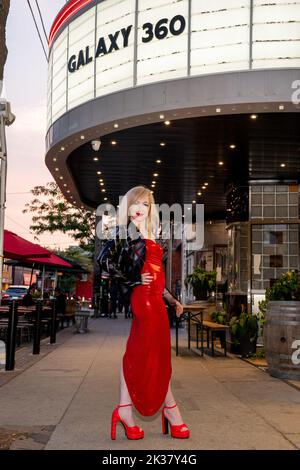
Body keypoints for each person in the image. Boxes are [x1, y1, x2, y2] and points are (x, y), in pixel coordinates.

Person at [97, 185, 190, 440]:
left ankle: (125, 410)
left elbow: (157, 275)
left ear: (151, 209)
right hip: (142, 301)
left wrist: (172, 299)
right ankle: (171, 411)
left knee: (150, 354)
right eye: (135, 203)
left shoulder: (149, 233)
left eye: (145, 204)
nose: (139, 209)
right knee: (152, 355)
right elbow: (103, 262)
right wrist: (134, 276)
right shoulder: (123, 231)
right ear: (127, 206)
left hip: (156, 301)